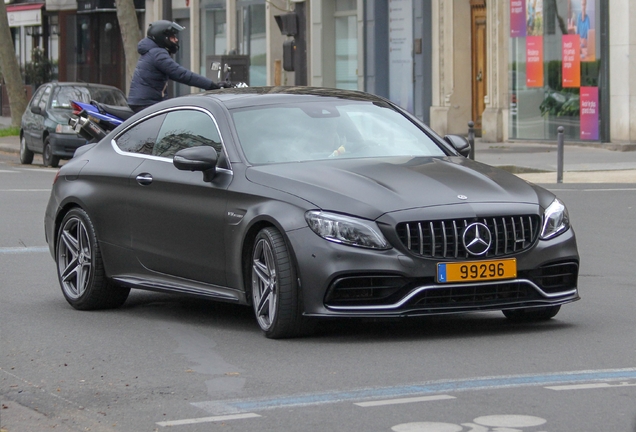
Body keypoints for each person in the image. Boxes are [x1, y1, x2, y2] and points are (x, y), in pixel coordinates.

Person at [128, 20, 225, 113]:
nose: (176, 40)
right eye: (172, 37)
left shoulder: (152, 51)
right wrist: (211, 85)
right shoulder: (158, 54)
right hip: (146, 103)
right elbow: (181, 74)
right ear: (163, 38)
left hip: (144, 101)